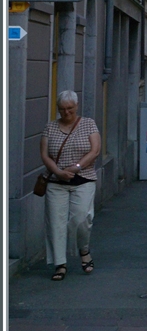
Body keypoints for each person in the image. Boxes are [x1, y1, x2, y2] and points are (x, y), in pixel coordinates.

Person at [40, 91, 101, 280]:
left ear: (76, 107)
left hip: (83, 179)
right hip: (56, 182)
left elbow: (95, 150)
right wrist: (58, 172)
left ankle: (83, 249)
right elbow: (44, 154)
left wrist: (76, 167)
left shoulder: (88, 124)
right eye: (62, 109)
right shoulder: (50, 127)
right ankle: (60, 264)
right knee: (56, 224)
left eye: (70, 109)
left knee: (82, 218)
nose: (66, 112)